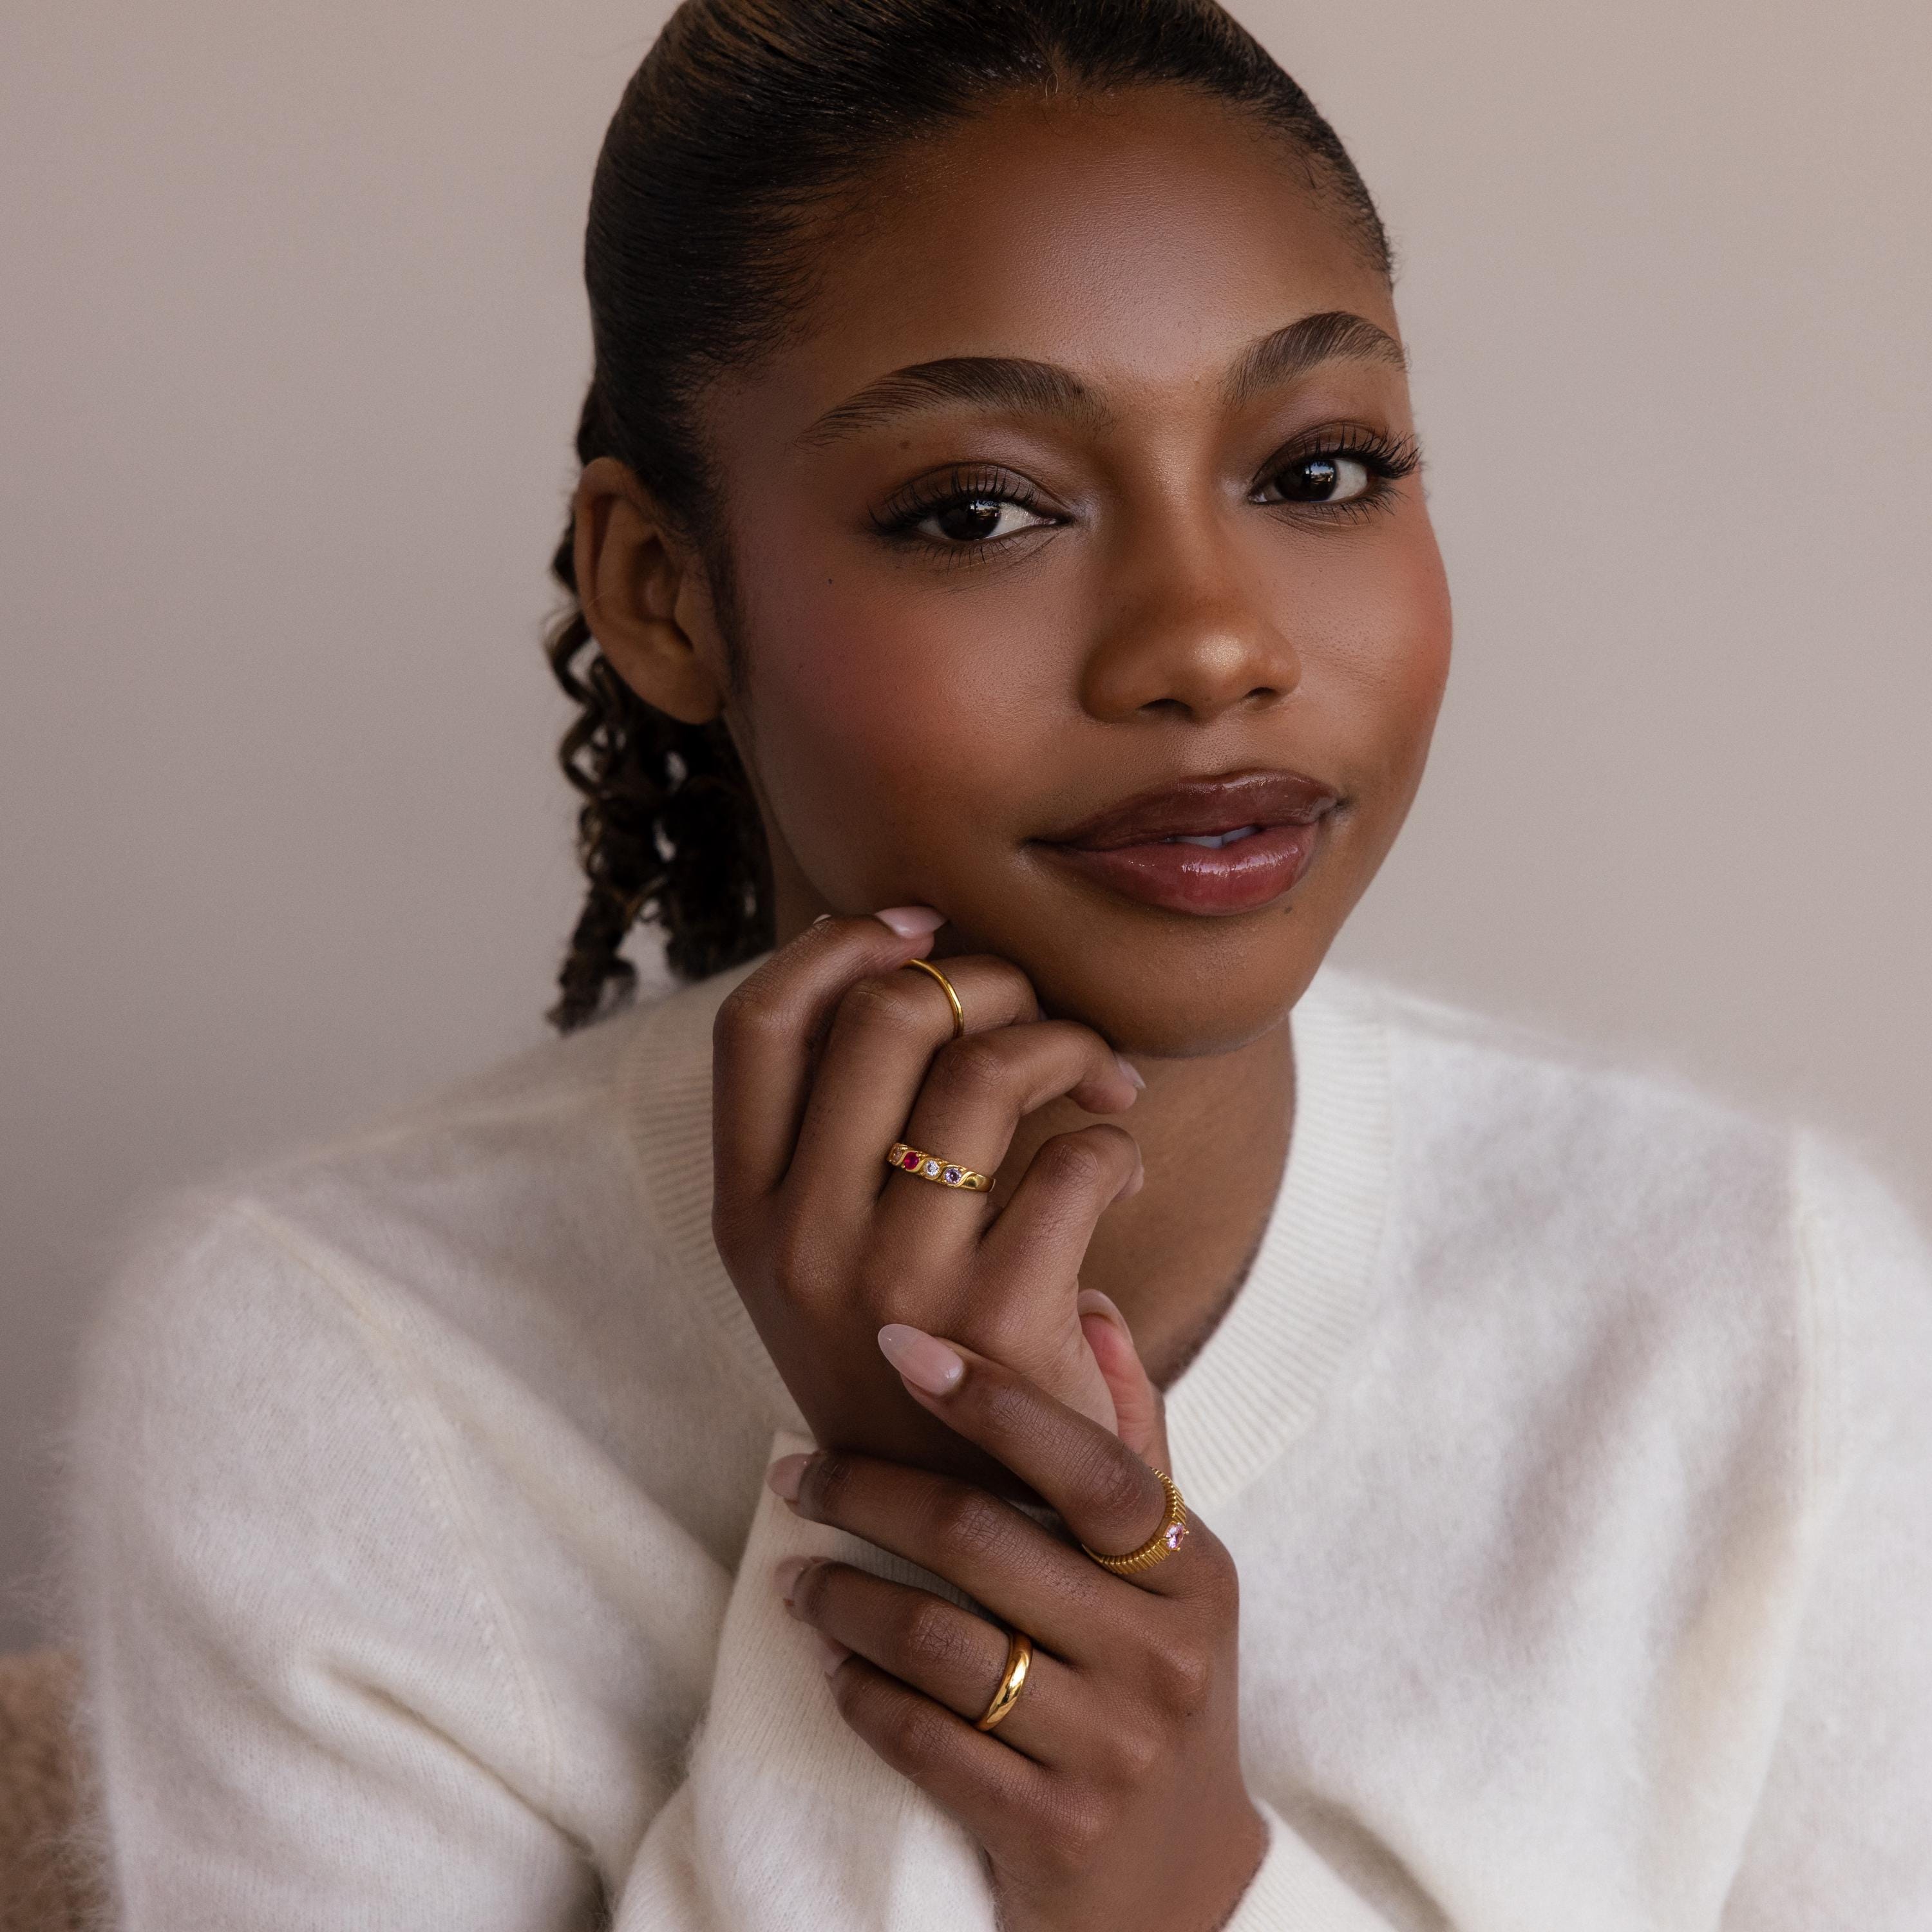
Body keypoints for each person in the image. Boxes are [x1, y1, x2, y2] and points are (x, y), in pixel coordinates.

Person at [68, 1, 1931, 1926]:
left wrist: (1181, 1886)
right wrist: (919, 1521)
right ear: (663, 592)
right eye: (984, 509)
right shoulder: (337, 1375)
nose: (1210, 643)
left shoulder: (1751, 1304)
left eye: (1318, 470)